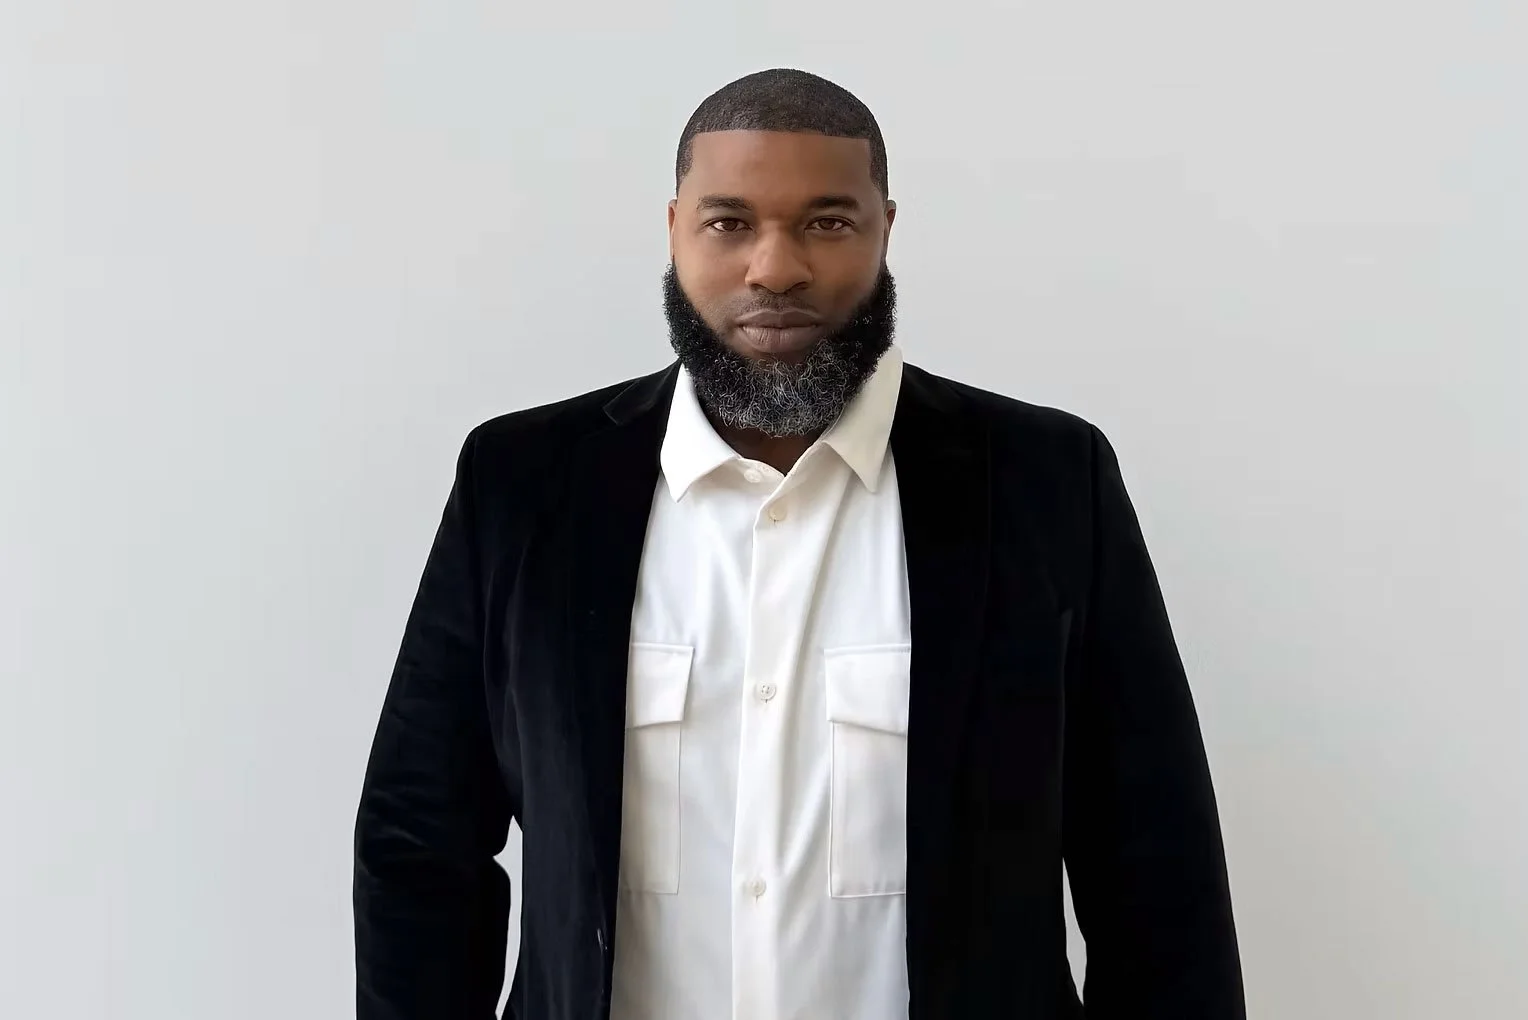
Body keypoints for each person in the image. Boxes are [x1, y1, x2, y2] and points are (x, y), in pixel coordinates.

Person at [353, 68, 1245, 1020]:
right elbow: (421, 839)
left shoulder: (1047, 484)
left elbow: (1154, 864)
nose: (775, 268)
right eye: (729, 222)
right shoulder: (523, 485)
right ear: (674, 229)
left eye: (826, 221)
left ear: (885, 229)